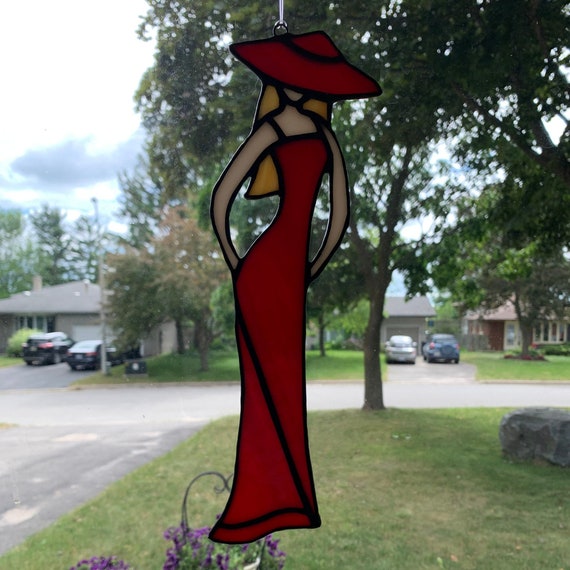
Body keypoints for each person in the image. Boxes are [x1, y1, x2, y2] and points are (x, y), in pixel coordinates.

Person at [209, 30, 381, 544]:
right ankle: (282, 503)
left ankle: (271, 503)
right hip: (285, 274)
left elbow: (221, 202)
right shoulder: (325, 138)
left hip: (265, 272)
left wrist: (238, 262)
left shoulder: (273, 129)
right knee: (279, 385)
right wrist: (312, 265)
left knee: (271, 387)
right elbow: (339, 216)